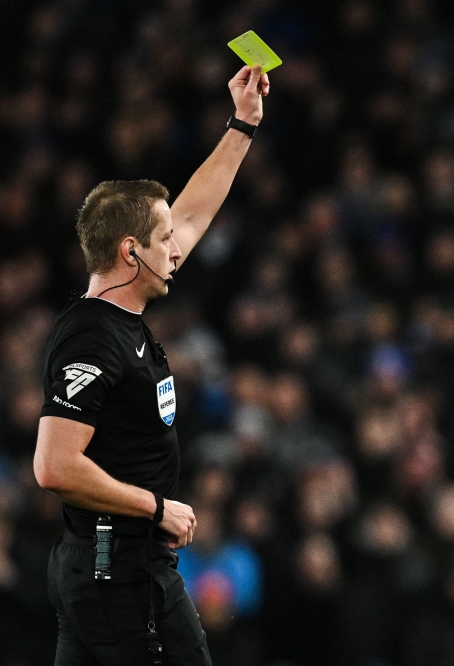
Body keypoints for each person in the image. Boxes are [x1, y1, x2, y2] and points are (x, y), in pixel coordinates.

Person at [33, 64, 271, 665]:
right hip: (120, 569)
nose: (178, 246)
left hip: (107, 564)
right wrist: (155, 507)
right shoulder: (92, 338)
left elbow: (192, 215)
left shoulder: (124, 317)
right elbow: (54, 465)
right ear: (129, 251)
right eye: (163, 238)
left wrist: (241, 124)